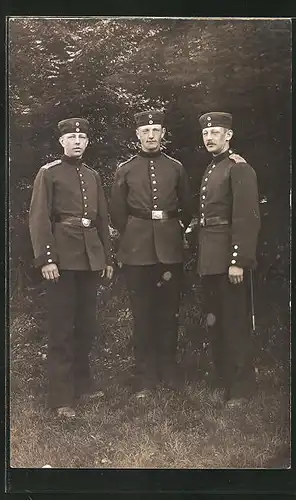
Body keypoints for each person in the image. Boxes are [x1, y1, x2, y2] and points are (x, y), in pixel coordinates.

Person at [29, 117, 113, 418]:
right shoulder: (49, 173)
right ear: (61, 142)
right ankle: (61, 397)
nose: (76, 142)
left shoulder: (92, 175)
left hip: (90, 258)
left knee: (87, 325)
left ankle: (82, 383)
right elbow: (39, 218)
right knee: (62, 328)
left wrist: (106, 257)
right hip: (62, 260)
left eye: (81, 138)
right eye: (71, 137)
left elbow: (102, 218)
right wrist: (47, 258)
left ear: (87, 142)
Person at [110, 110, 193, 396]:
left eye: (155, 130)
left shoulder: (176, 168)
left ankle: (168, 370)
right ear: (137, 135)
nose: (150, 135)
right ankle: (144, 375)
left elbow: (188, 205)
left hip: (169, 248)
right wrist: (135, 232)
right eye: (145, 131)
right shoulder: (126, 169)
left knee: (169, 312)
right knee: (142, 314)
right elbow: (117, 212)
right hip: (137, 250)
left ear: (162, 133)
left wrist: (173, 229)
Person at [197, 111, 261, 407]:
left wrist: (238, 260)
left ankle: (241, 386)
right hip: (210, 257)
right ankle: (223, 378)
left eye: (216, 133)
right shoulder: (213, 168)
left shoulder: (239, 168)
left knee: (235, 321)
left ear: (229, 135)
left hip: (229, 258)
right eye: (206, 134)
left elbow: (246, 218)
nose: (210, 138)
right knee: (217, 320)